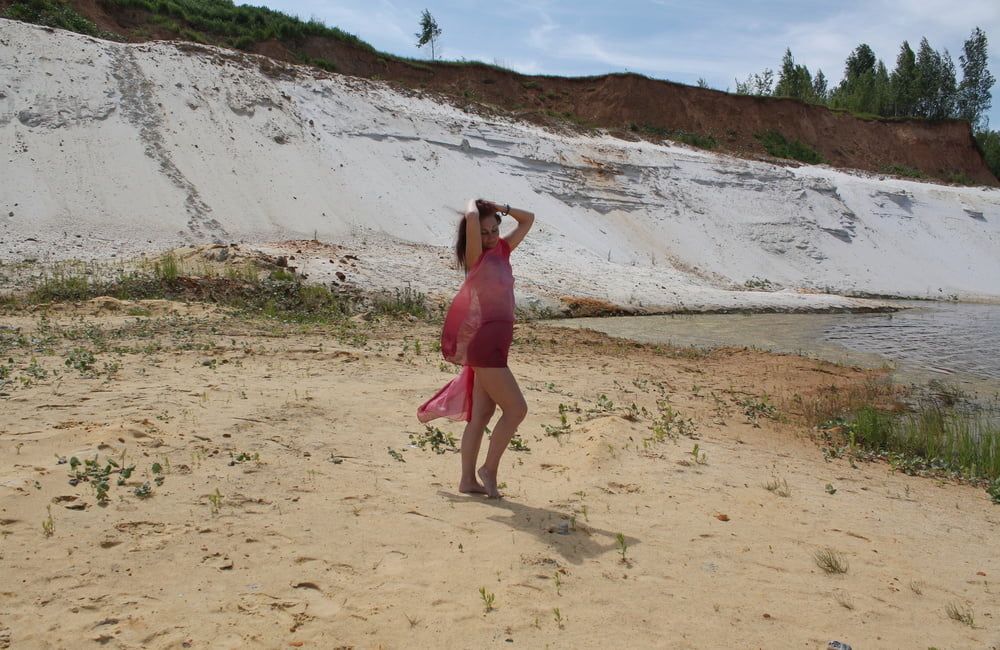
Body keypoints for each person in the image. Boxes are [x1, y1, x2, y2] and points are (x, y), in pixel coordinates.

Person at [417, 198, 535, 498]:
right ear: (473, 235)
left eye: (495, 229)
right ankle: (489, 470)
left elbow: (529, 219)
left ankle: (467, 481)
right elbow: (471, 217)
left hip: (498, 342)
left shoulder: (503, 250)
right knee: (517, 409)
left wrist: (501, 208)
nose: (491, 236)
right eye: (484, 232)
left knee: (482, 414)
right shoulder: (476, 258)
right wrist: (474, 203)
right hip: (486, 344)